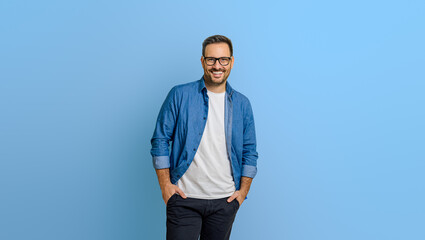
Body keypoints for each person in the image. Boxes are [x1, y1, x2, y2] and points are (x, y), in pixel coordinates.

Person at [150, 35, 258, 240]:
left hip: (224, 202)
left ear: (232, 62)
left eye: (223, 59)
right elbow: (160, 140)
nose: (217, 66)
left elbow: (250, 151)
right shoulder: (179, 95)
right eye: (211, 60)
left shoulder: (243, 104)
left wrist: (242, 192)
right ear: (202, 61)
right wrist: (165, 185)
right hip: (183, 198)